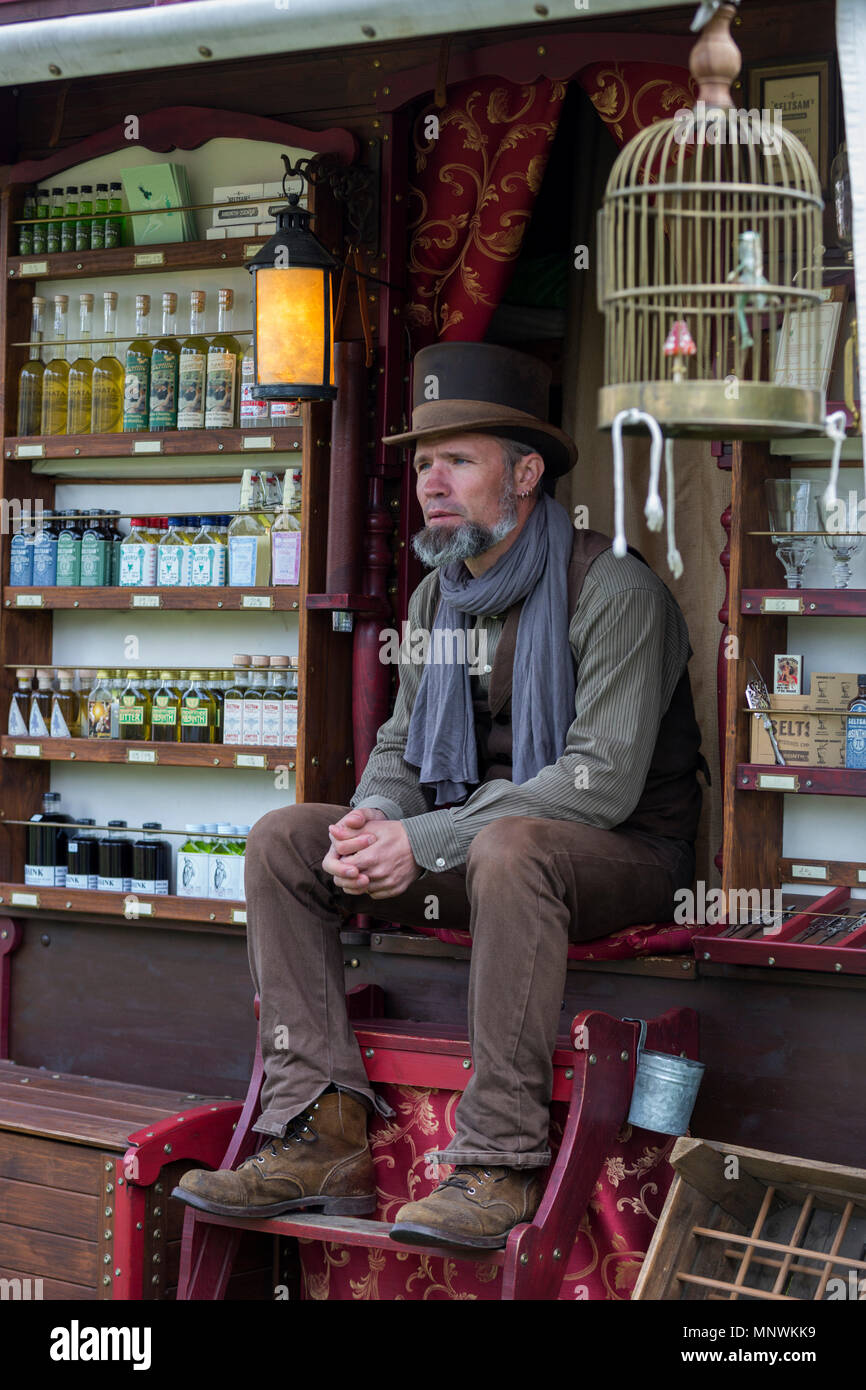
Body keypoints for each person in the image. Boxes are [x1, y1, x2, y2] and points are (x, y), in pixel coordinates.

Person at [174, 342, 705, 1251]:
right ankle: (318, 1131)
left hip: (619, 857)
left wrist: (424, 841)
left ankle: (497, 1159)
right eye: (423, 462)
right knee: (282, 839)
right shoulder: (435, 603)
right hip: (486, 855)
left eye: (458, 459)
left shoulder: (613, 589)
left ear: (527, 472)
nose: (432, 480)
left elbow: (598, 784)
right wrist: (376, 818)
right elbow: (399, 749)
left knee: (513, 846)